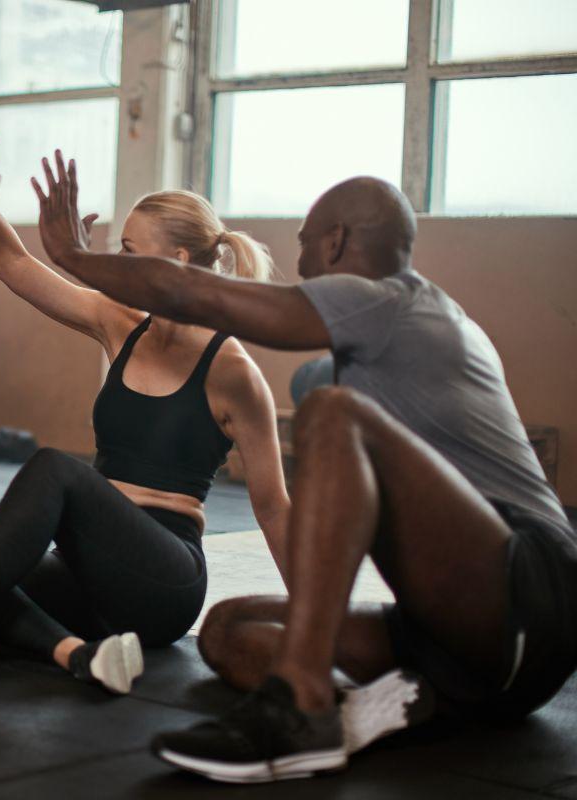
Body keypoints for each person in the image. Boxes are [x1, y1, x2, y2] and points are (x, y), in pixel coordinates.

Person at [31, 163, 577, 782]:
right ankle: (375, 710)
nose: (299, 254)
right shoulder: (392, 332)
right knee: (229, 631)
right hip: (456, 647)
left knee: (331, 410)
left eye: (306, 239)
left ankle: (302, 704)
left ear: (337, 241)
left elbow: (192, 292)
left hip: (532, 594)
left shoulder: (390, 299)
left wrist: (74, 255)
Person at [0, 77, 291, 700]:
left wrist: (316, 632)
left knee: (56, 469)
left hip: (162, 583)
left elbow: (275, 509)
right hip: (85, 577)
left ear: (177, 263)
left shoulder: (232, 370)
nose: (111, 261)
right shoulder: (118, 321)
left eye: (127, 250)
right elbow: (13, 263)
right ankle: (75, 653)